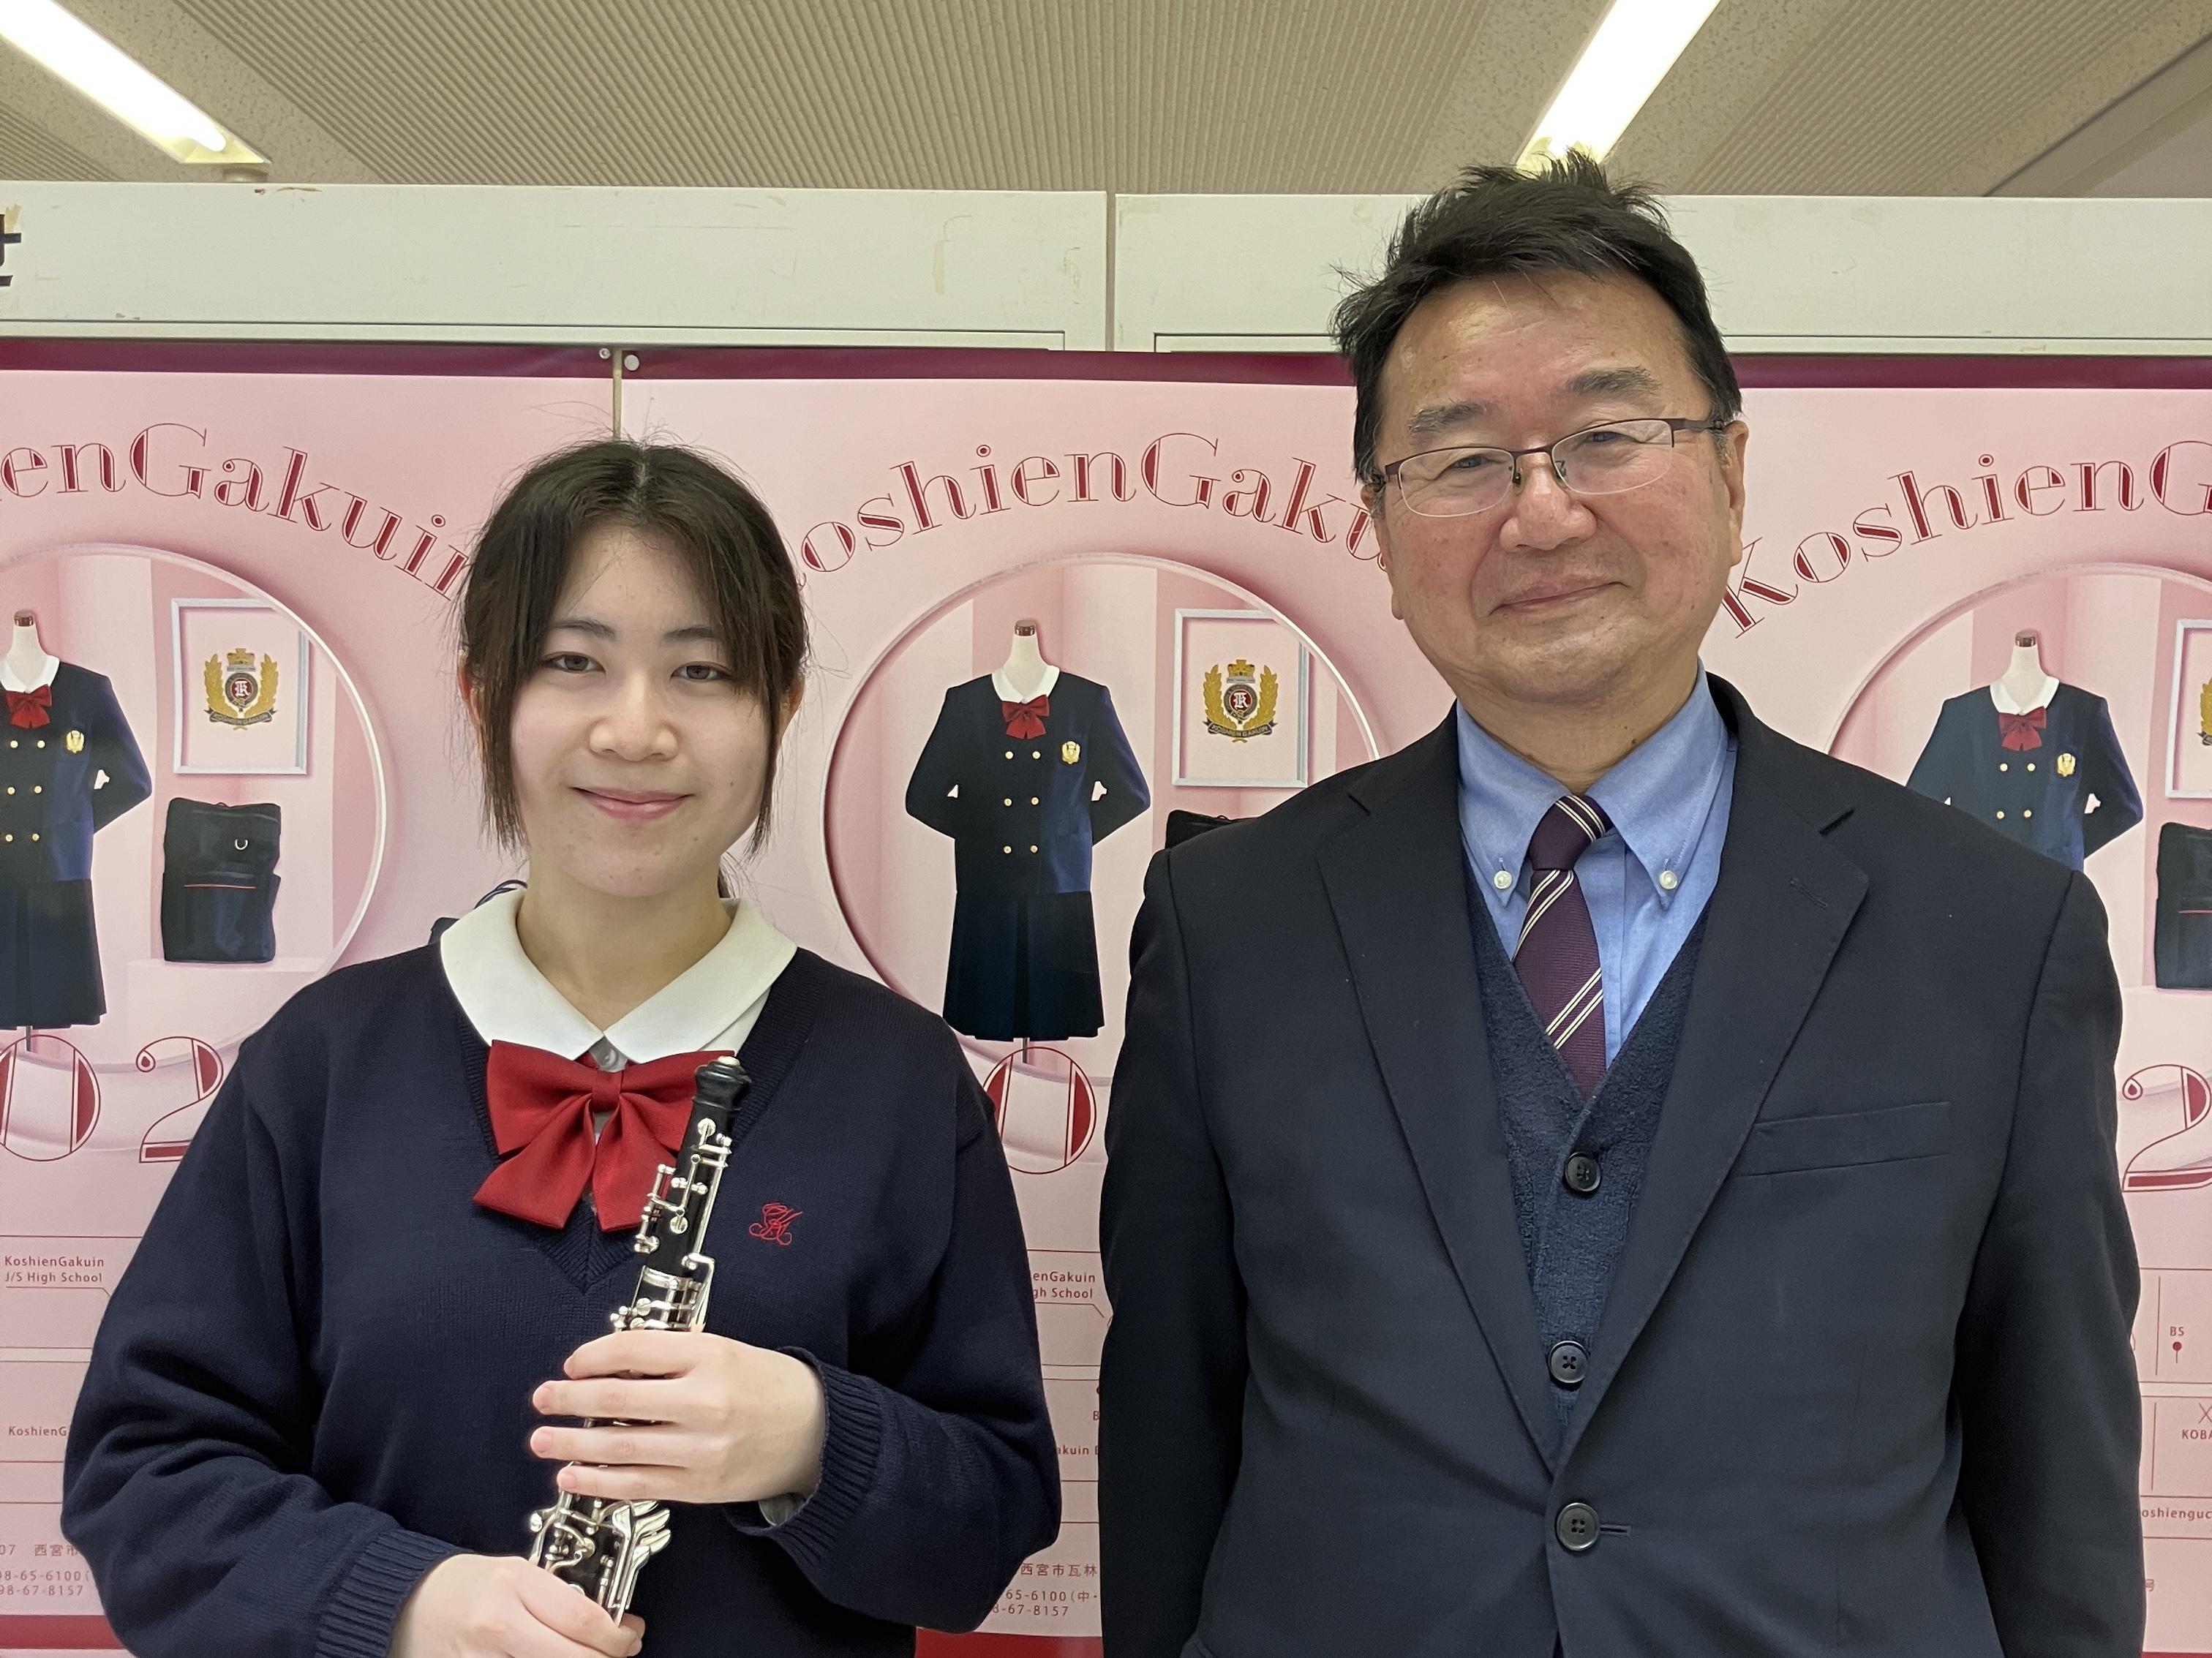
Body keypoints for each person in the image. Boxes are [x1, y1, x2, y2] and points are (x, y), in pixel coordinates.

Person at [1098, 157, 2141, 1658]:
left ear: (1729, 474)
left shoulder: (1995, 931)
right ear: (1380, 529)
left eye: (1604, 436)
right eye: (1462, 460)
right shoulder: (1228, 925)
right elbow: (1170, 1431)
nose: (1540, 513)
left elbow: (2061, 1487)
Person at [64, 440, 1058, 1658]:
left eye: (702, 671)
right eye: (573, 663)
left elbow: (993, 1524)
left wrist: (816, 1439)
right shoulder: (320, 1065)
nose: (636, 730)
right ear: (486, 697)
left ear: (782, 709)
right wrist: (403, 1606)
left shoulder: (897, 1077)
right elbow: (144, 1478)